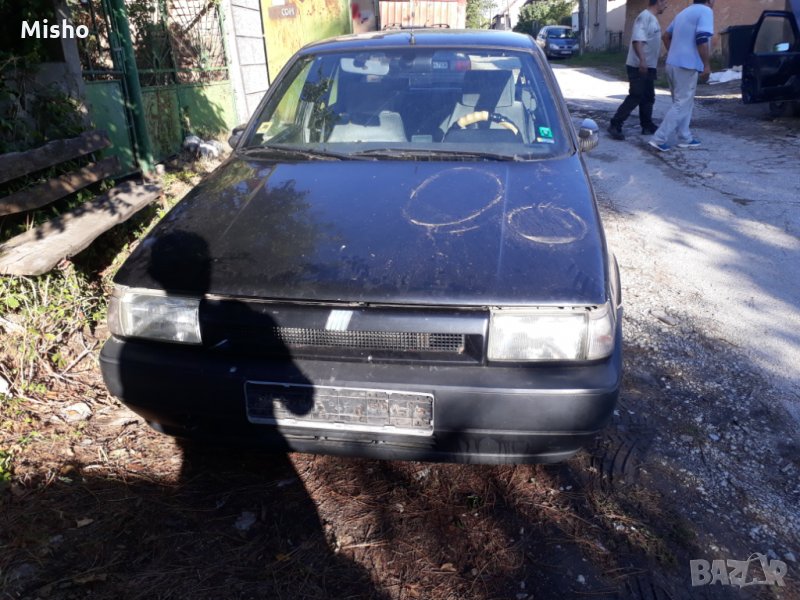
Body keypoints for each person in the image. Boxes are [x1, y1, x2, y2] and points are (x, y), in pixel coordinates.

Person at [648, 0, 715, 152]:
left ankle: (685, 137)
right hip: (687, 66)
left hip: (672, 64)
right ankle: (659, 139)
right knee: (682, 104)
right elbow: (702, 39)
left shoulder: (683, 13)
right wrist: (706, 65)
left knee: (683, 104)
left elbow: (666, 36)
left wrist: (674, 53)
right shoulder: (705, 11)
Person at [608, 0, 669, 141]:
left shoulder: (652, 18)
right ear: (658, 2)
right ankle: (615, 124)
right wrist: (642, 61)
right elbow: (637, 40)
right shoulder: (644, 17)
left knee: (648, 96)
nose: (666, 5)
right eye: (665, 2)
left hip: (648, 65)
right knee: (636, 95)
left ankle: (647, 125)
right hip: (639, 66)